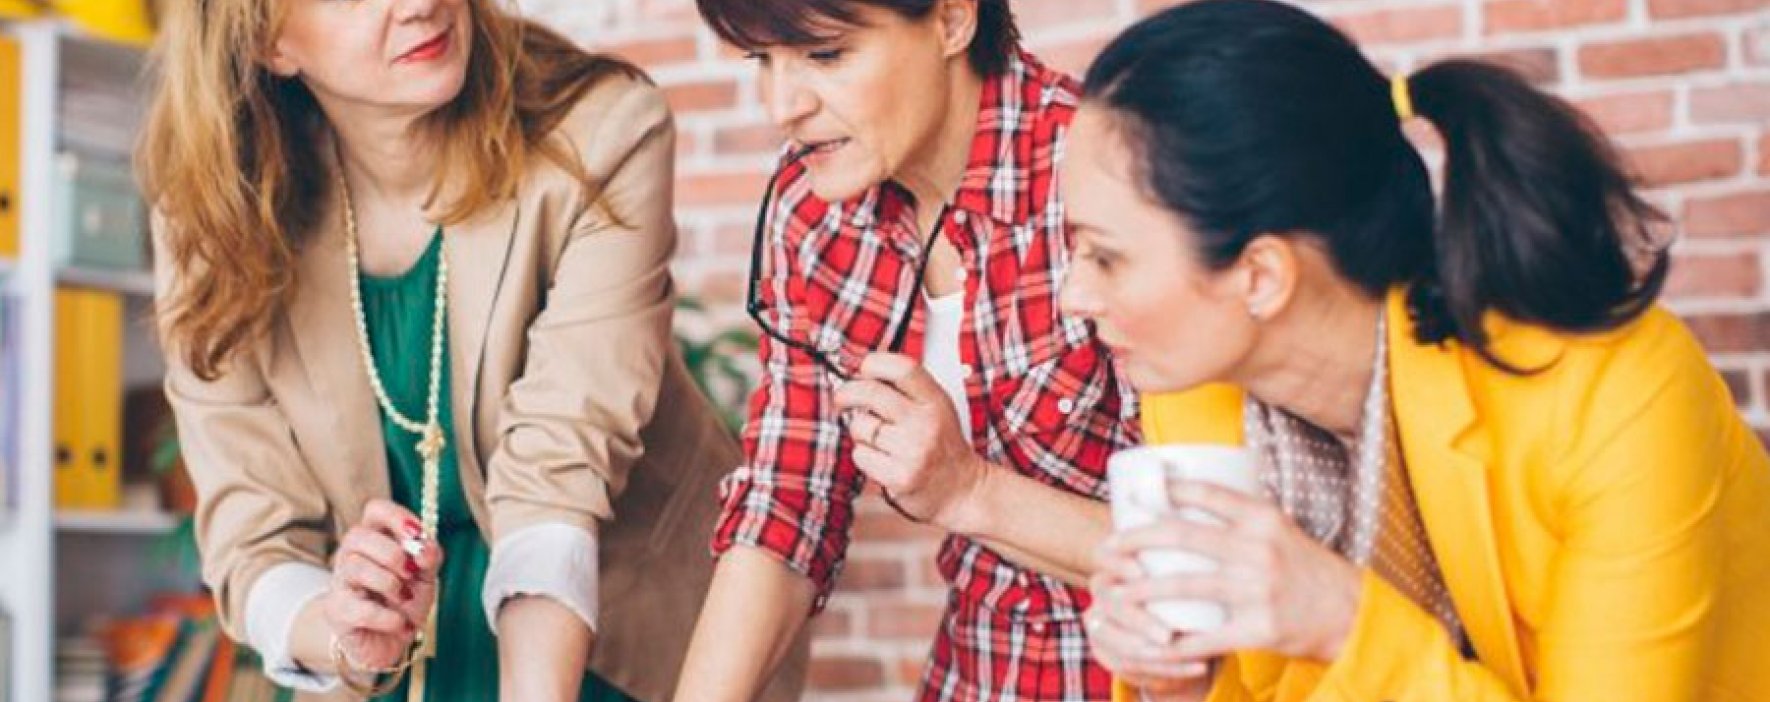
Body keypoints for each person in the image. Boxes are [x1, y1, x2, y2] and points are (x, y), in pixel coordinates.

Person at [1056, 1, 1770, 700]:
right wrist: (1181, 683)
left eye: (1106, 257)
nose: (1072, 297)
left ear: (1261, 276)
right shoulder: (1197, 405)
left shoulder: (1613, 395)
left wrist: (1342, 621)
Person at [138, 1, 804, 700]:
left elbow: (562, 465)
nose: (422, 4)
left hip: (609, 639)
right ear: (268, 42)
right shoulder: (211, 214)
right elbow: (252, 534)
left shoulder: (599, 130)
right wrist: (342, 630)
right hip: (394, 669)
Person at [673, 0, 1140, 699]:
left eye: (824, 56)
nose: (781, 106)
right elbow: (786, 500)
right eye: (761, 61)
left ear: (953, 19)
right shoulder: (814, 209)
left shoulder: (1107, 182)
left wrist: (967, 490)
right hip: (980, 670)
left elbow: (1208, 550)